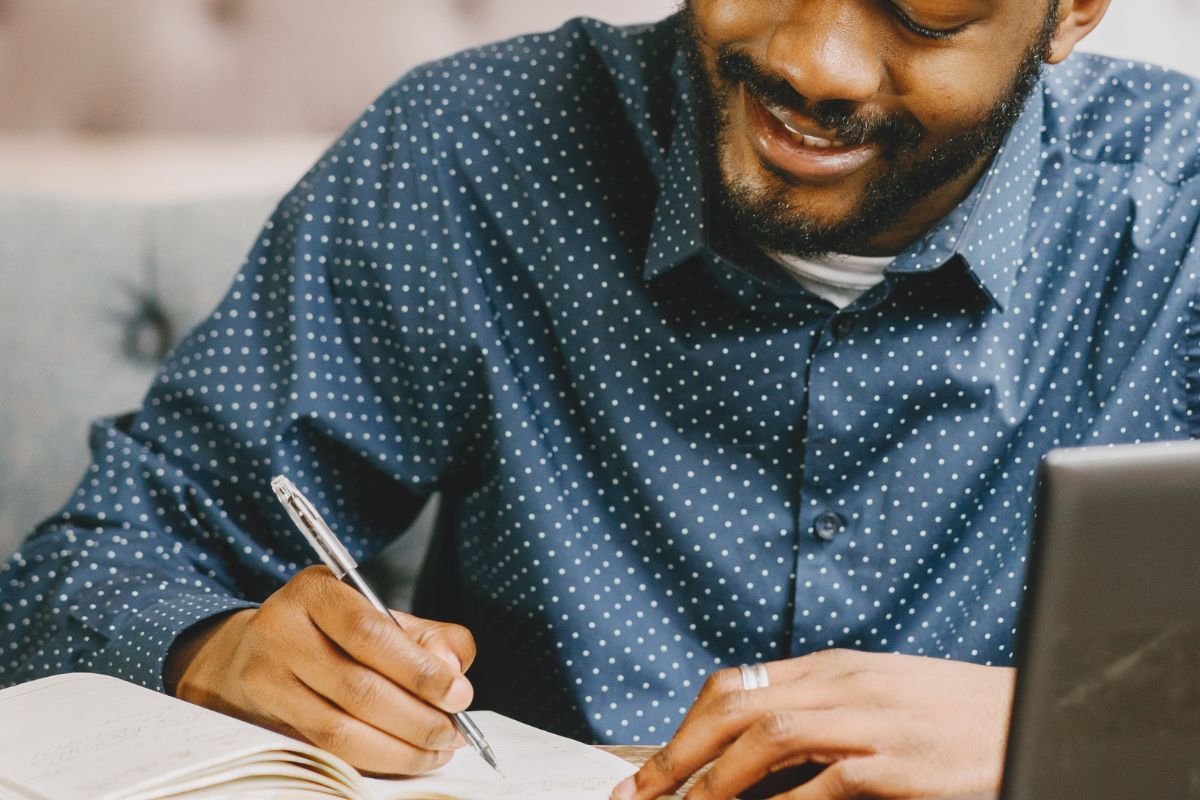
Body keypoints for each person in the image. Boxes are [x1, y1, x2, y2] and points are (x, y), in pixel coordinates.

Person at [3, 0, 1196, 797]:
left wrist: (1076, 725)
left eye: (926, 9)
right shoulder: (470, 149)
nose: (811, 61)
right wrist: (217, 647)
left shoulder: (1180, 212)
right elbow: (67, 578)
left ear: (1073, 8)